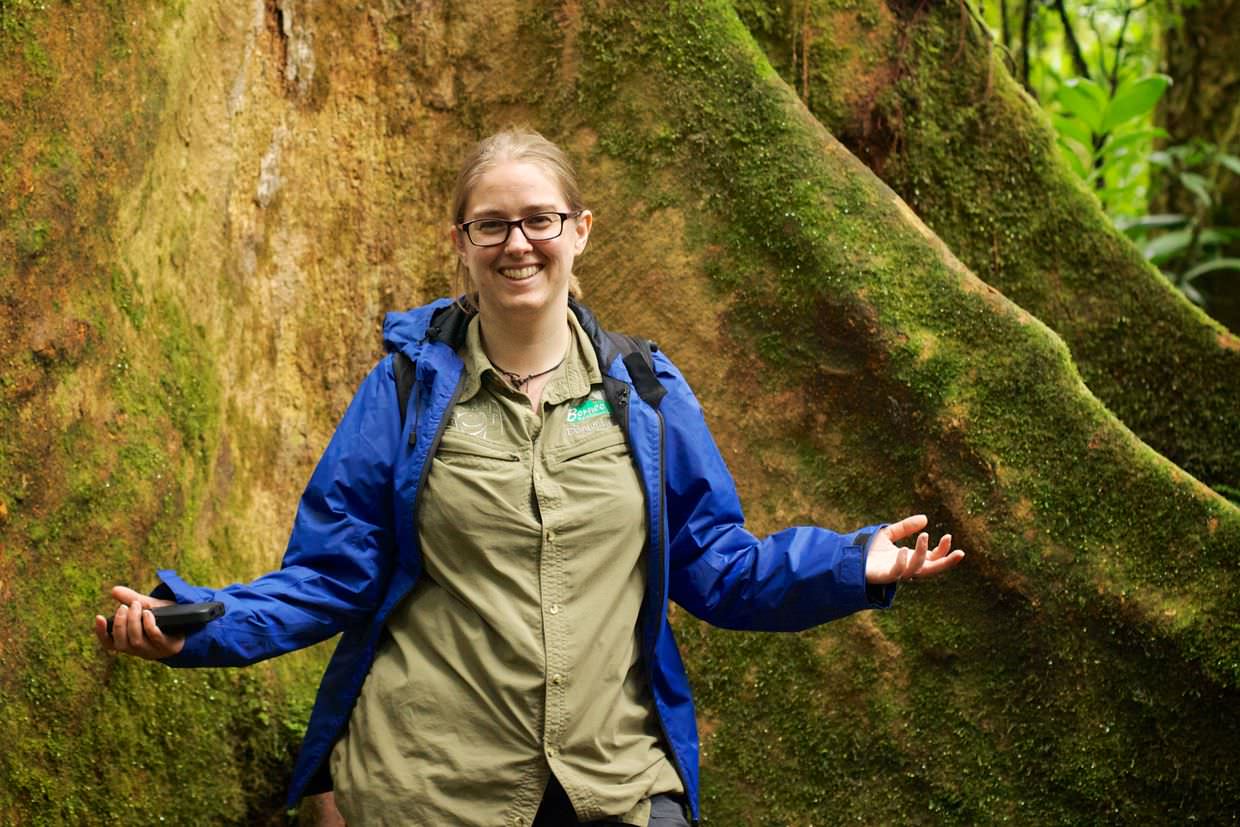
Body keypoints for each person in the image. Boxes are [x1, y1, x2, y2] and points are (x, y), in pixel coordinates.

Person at [94, 128, 964, 826]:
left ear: (580, 231)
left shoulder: (645, 390)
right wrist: (195, 625)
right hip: (430, 790)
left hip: (615, 784)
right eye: (493, 225)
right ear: (461, 243)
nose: (519, 244)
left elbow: (716, 564)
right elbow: (330, 574)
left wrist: (854, 565)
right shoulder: (403, 389)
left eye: (540, 220)